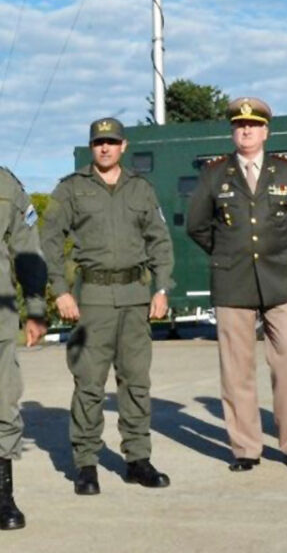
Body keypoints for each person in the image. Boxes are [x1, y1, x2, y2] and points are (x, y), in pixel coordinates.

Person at [41, 118, 174, 495]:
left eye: (111, 142)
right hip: (92, 301)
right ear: (91, 147)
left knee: (136, 383)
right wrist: (61, 290)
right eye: (99, 142)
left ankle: (137, 459)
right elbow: (50, 240)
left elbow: (160, 242)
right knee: (89, 384)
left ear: (123, 146)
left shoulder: (140, 189)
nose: (105, 148)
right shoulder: (71, 189)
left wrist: (162, 289)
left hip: (135, 298)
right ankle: (86, 463)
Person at [186, 97, 287, 472]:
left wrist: (277, 247)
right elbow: (196, 224)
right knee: (237, 368)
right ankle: (245, 448)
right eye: (240, 125)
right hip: (232, 279)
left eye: (254, 125)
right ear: (233, 131)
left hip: (280, 277)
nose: (246, 131)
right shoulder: (214, 173)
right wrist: (227, 250)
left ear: (265, 131)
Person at [0, 170, 47, 530]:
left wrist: (35, 308)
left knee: (2, 401)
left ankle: (3, 495)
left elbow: (27, 249)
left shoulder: (6, 186)